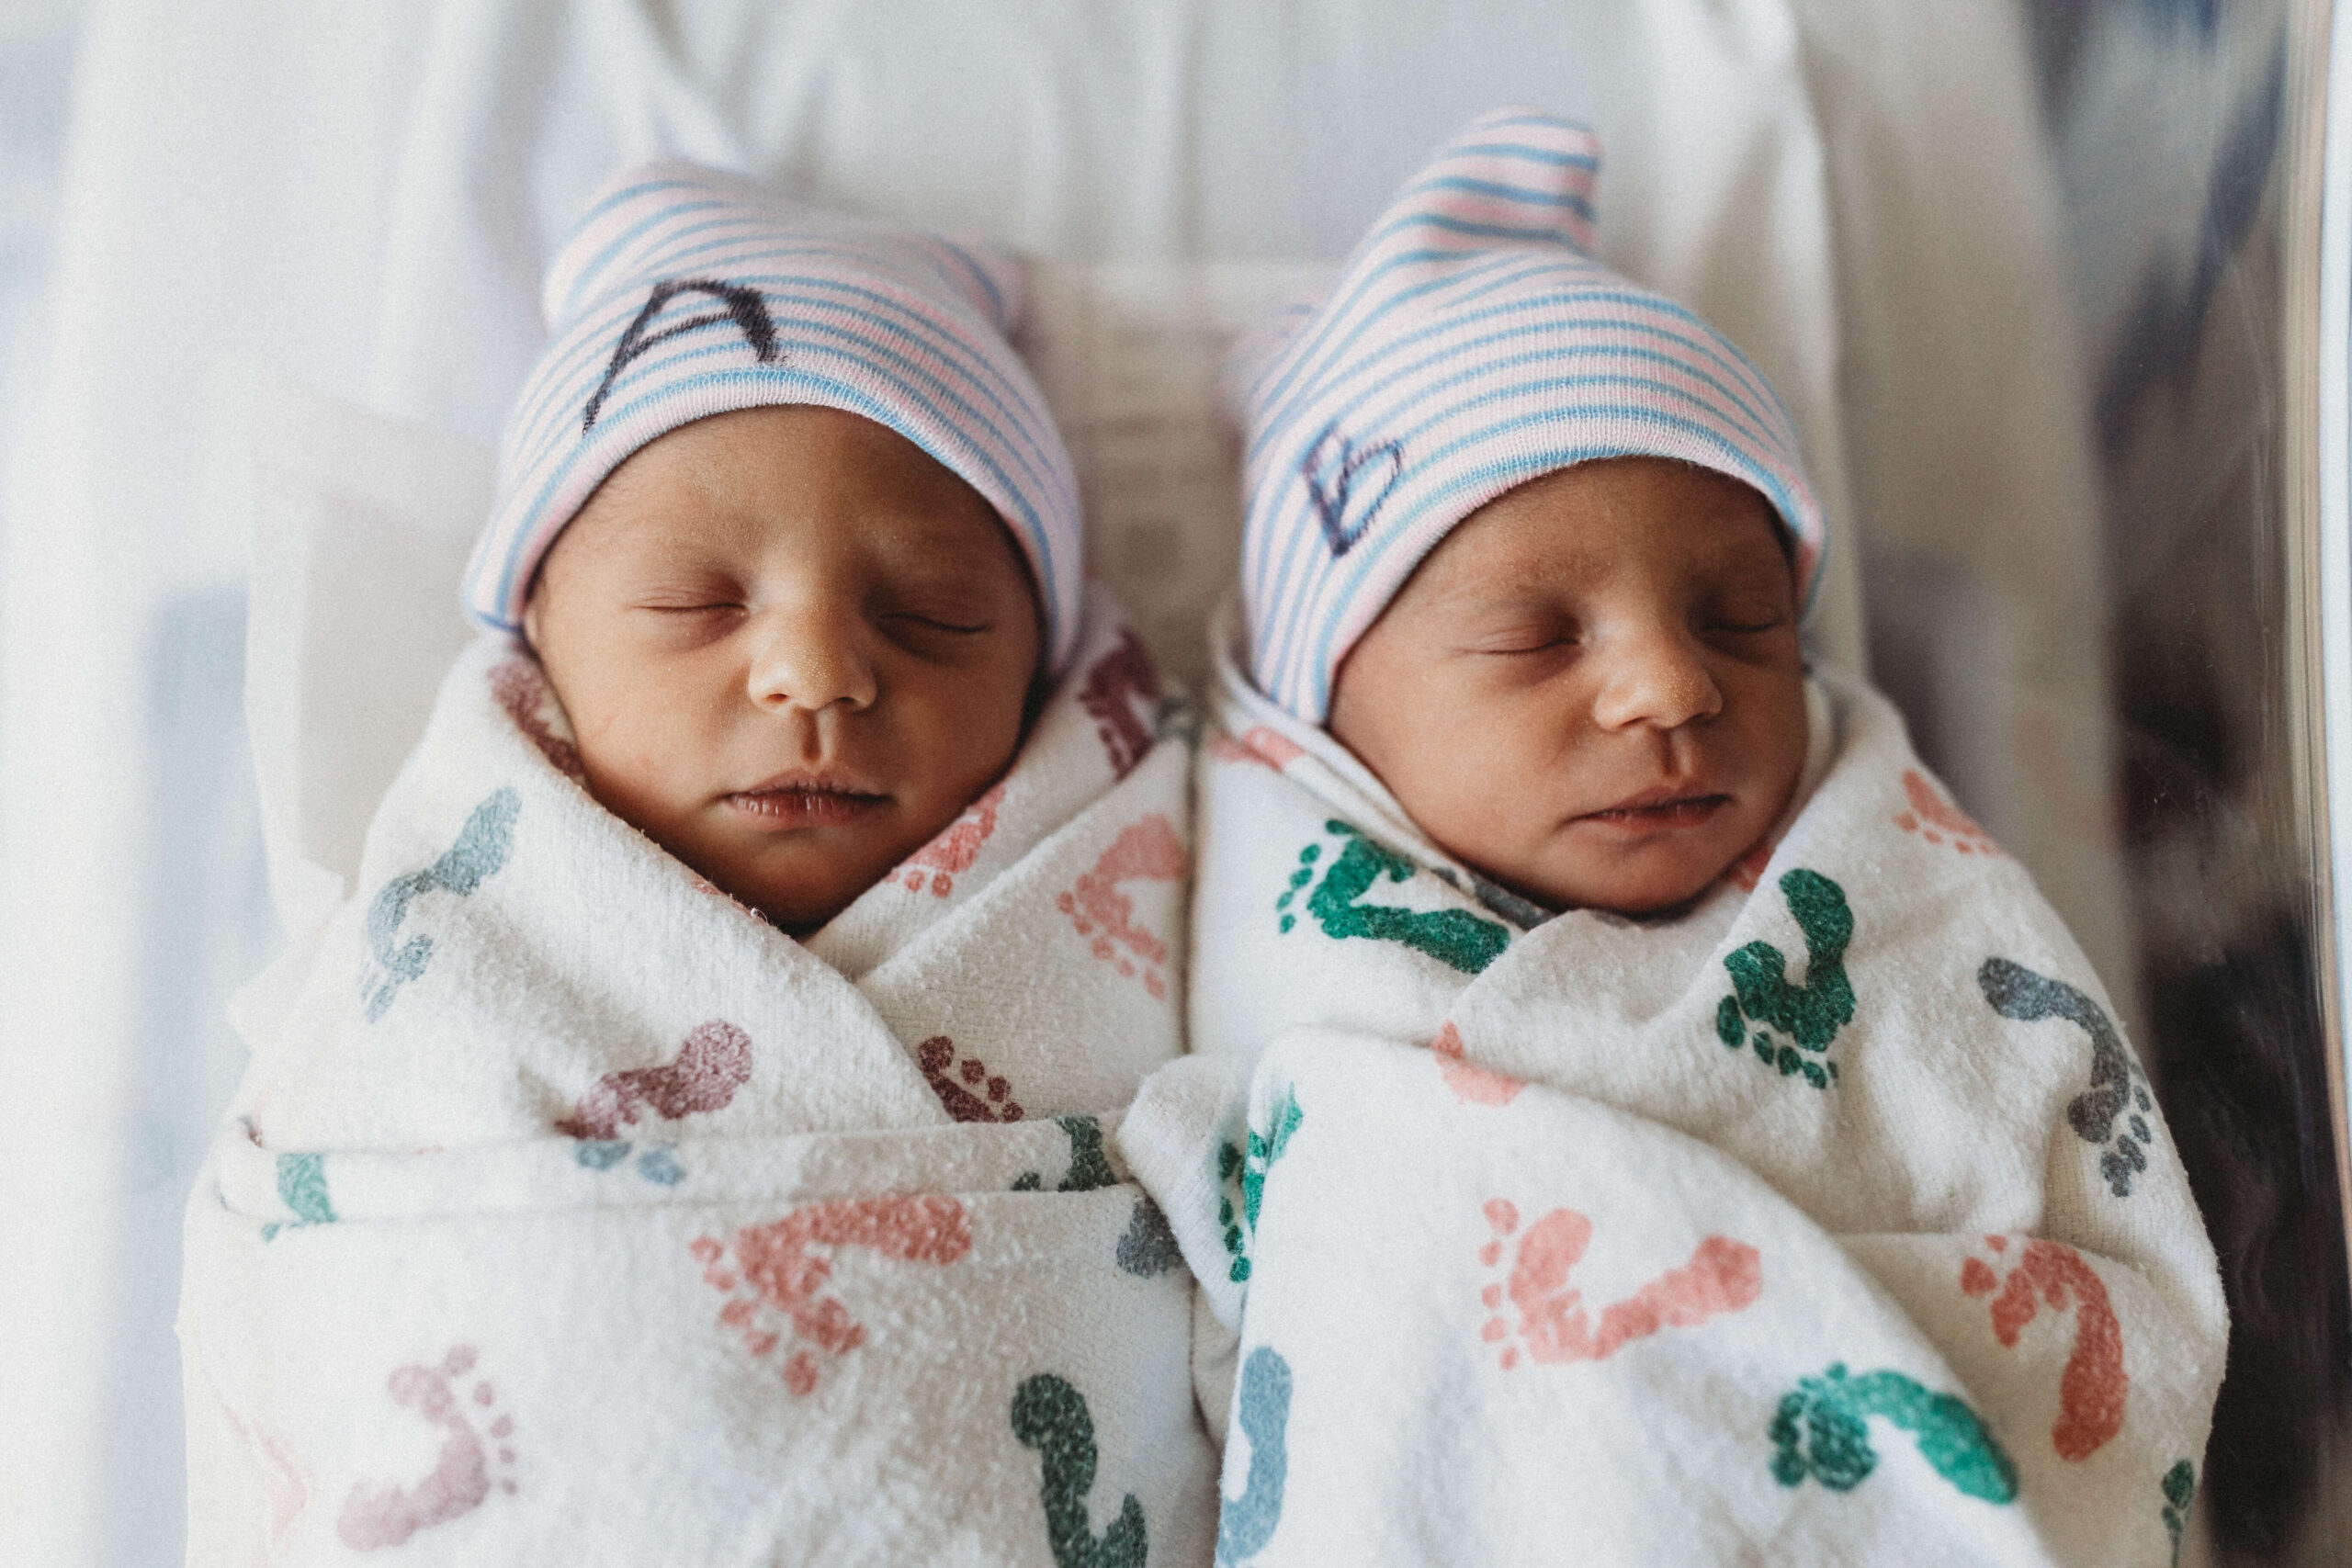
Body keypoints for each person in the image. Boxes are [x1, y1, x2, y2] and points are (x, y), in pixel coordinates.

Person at [1125, 109, 2225, 1567]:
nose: (1675, 686)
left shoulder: (1889, 903)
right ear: (1315, 718)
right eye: (1538, 635)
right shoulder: (1285, 976)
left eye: (1741, 621)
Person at [181, 162, 1214, 1565]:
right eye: (692, 603)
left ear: (1044, 673)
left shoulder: (1157, 893)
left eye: (931, 618)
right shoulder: (443, 950)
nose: (816, 671)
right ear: (539, 636)